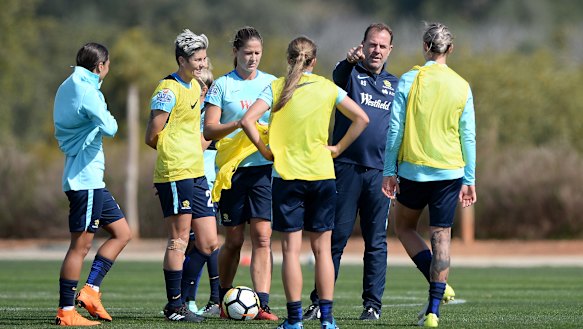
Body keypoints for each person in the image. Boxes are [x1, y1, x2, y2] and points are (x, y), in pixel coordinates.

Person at [241, 35, 369, 329]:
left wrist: (265, 150)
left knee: (290, 251)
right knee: (322, 251)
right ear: (314, 61)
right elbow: (361, 118)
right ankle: (327, 319)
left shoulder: (277, 86)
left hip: (287, 178)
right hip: (322, 176)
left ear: (289, 60)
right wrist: (337, 149)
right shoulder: (326, 87)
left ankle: (295, 320)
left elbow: (248, 120)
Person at [381, 22, 477, 328]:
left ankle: (436, 287)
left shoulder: (410, 79)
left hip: (414, 171)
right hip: (450, 171)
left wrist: (389, 170)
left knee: (404, 227)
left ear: (425, 47)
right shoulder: (462, 85)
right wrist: (470, 178)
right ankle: (434, 309)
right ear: (450, 49)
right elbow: (469, 136)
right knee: (442, 237)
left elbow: (395, 129)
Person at [303, 23, 398, 321]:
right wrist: (348, 61)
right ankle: (320, 302)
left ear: (389, 50)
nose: (376, 50)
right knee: (335, 238)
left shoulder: (396, 85)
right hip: (344, 169)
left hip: (380, 174)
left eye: (382, 46)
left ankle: (372, 306)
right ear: (363, 45)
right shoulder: (349, 74)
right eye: (372, 44)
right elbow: (337, 75)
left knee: (376, 242)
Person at [53, 42, 132, 326]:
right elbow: (111, 127)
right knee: (80, 247)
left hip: (91, 181)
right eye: (107, 66)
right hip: (84, 181)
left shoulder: (70, 83)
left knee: (122, 232)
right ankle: (66, 311)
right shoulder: (88, 90)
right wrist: (100, 120)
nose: (107, 70)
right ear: (100, 66)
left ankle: (90, 291)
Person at [203, 26, 278, 320]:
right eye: (248, 52)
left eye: (258, 53)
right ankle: (222, 300)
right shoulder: (222, 86)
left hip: (262, 170)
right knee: (234, 240)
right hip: (231, 173)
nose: (253, 58)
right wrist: (240, 123)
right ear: (235, 52)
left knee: (263, 237)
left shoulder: (271, 83)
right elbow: (209, 130)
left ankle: (263, 304)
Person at [145, 29, 219, 323]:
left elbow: (196, 133)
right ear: (181, 60)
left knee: (209, 241)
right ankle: (175, 306)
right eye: (197, 59)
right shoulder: (167, 88)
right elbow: (152, 135)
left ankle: (185, 299)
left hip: (197, 171)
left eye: (203, 58)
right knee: (178, 239)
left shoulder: (194, 87)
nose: (202, 64)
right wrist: (174, 155)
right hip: (176, 172)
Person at [181, 66, 221, 317]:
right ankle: (189, 300)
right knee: (194, 245)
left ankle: (206, 299)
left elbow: (200, 146)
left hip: (205, 181)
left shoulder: (209, 115)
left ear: (204, 90)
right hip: (187, 179)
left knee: (205, 243)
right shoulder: (188, 112)